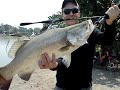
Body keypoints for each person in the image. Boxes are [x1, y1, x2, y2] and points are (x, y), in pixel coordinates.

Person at [39, 0, 120, 90]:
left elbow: (107, 40)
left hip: (84, 87)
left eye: (74, 10)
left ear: (79, 13)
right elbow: (60, 60)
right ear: (62, 15)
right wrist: (54, 65)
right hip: (62, 86)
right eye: (66, 11)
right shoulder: (58, 36)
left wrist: (110, 23)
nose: (71, 13)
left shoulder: (89, 30)